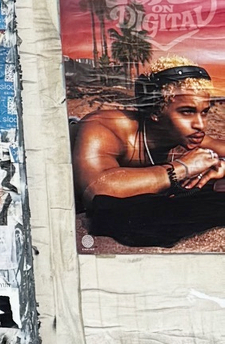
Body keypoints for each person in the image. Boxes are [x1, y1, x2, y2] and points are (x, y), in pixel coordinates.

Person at [72, 60, 225, 248]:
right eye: (187, 112)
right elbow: (95, 189)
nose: (200, 125)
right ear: (155, 110)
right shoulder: (103, 127)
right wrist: (182, 168)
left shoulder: (186, 134)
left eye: (204, 113)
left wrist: (220, 165)